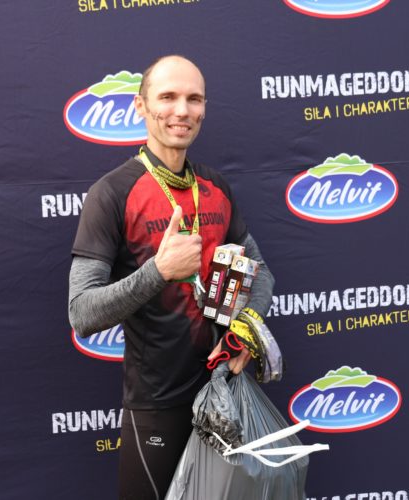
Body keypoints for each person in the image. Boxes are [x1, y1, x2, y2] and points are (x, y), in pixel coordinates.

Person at [68, 55, 275, 500]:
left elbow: (262, 275)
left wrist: (245, 330)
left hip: (225, 396)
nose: (182, 110)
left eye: (194, 99)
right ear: (141, 106)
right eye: (168, 97)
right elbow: (82, 312)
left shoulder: (215, 187)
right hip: (157, 408)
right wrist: (159, 271)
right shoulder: (111, 193)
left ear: (204, 108)